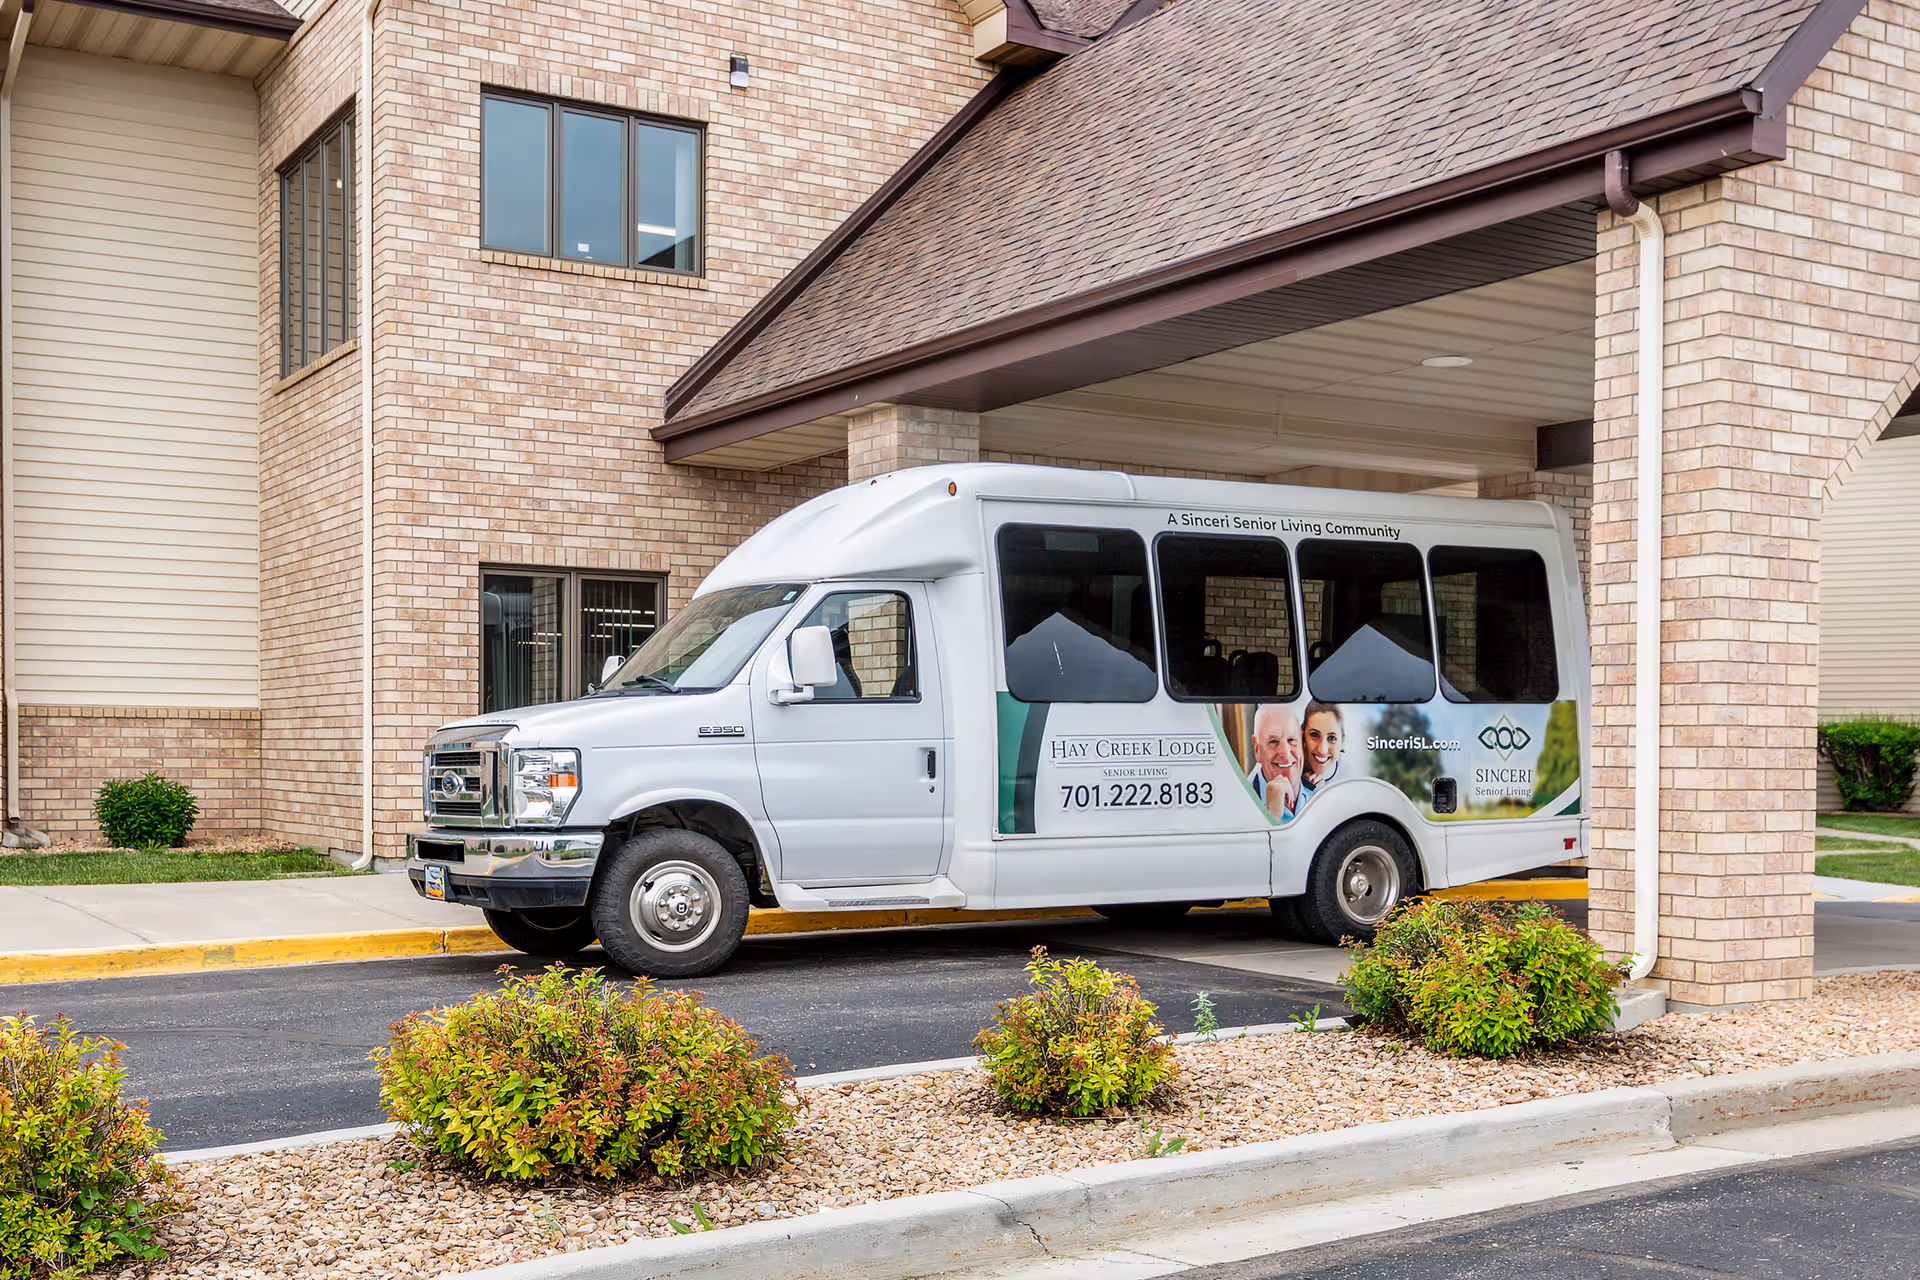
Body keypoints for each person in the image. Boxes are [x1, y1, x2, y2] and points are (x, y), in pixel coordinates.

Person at [1246, 704, 1303, 821]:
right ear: (1257, 749)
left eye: (1292, 740)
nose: (1285, 754)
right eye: (1273, 741)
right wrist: (1271, 817)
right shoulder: (1242, 801)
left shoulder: (1321, 787)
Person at [1300, 702, 1345, 797]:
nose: (1322, 750)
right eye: (1314, 735)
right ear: (1302, 735)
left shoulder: (1349, 776)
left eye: (1332, 738)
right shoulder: (1287, 764)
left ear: (1342, 741)